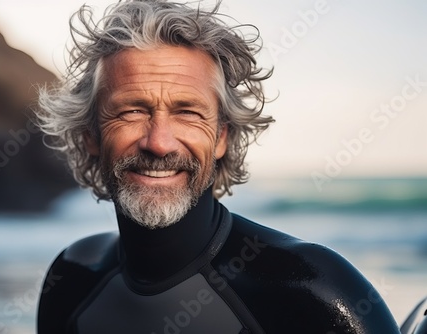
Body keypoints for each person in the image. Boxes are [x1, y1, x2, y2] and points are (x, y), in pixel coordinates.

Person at [36, 1, 400, 333]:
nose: (159, 143)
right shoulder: (72, 278)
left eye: (187, 113)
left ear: (222, 136)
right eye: (132, 111)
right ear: (90, 136)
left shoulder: (310, 289)